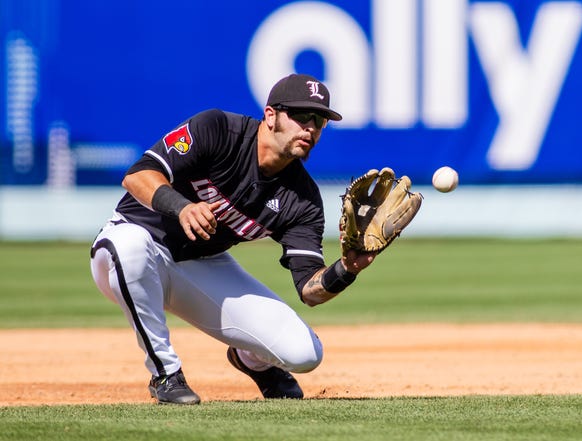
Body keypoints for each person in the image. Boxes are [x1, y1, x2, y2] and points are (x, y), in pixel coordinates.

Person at [90, 73, 376, 404]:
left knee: (304, 353)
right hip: (130, 247)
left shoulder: (303, 198)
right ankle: (165, 374)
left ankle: (251, 359)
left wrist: (347, 269)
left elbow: (309, 290)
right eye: (300, 116)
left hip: (202, 265)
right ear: (270, 116)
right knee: (129, 248)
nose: (310, 128)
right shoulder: (217, 130)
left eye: (319, 121)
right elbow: (137, 175)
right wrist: (181, 207)